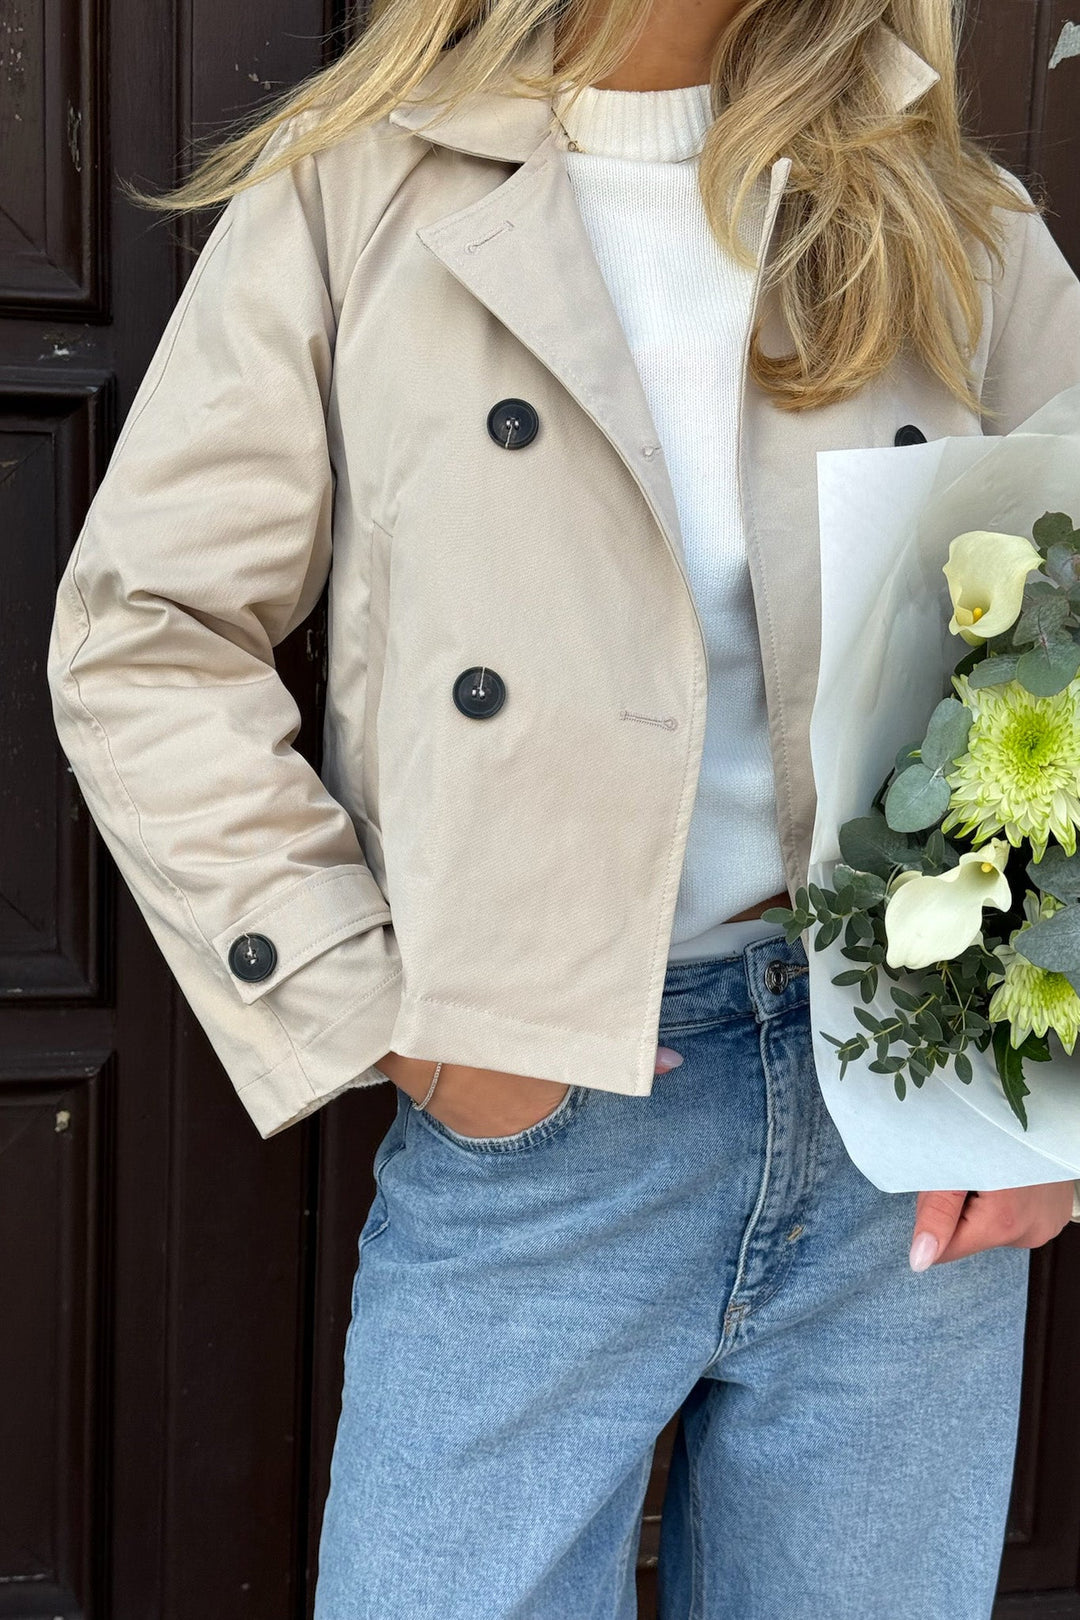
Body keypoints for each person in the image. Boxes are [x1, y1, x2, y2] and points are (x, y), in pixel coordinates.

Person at [45, 0, 1080, 1614]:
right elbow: (148, 632)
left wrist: (1049, 1079)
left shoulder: (943, 210)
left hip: (908, 1116)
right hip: (546, 1118)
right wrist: (384, 1011)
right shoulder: (358, 190)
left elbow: (1067, 642)